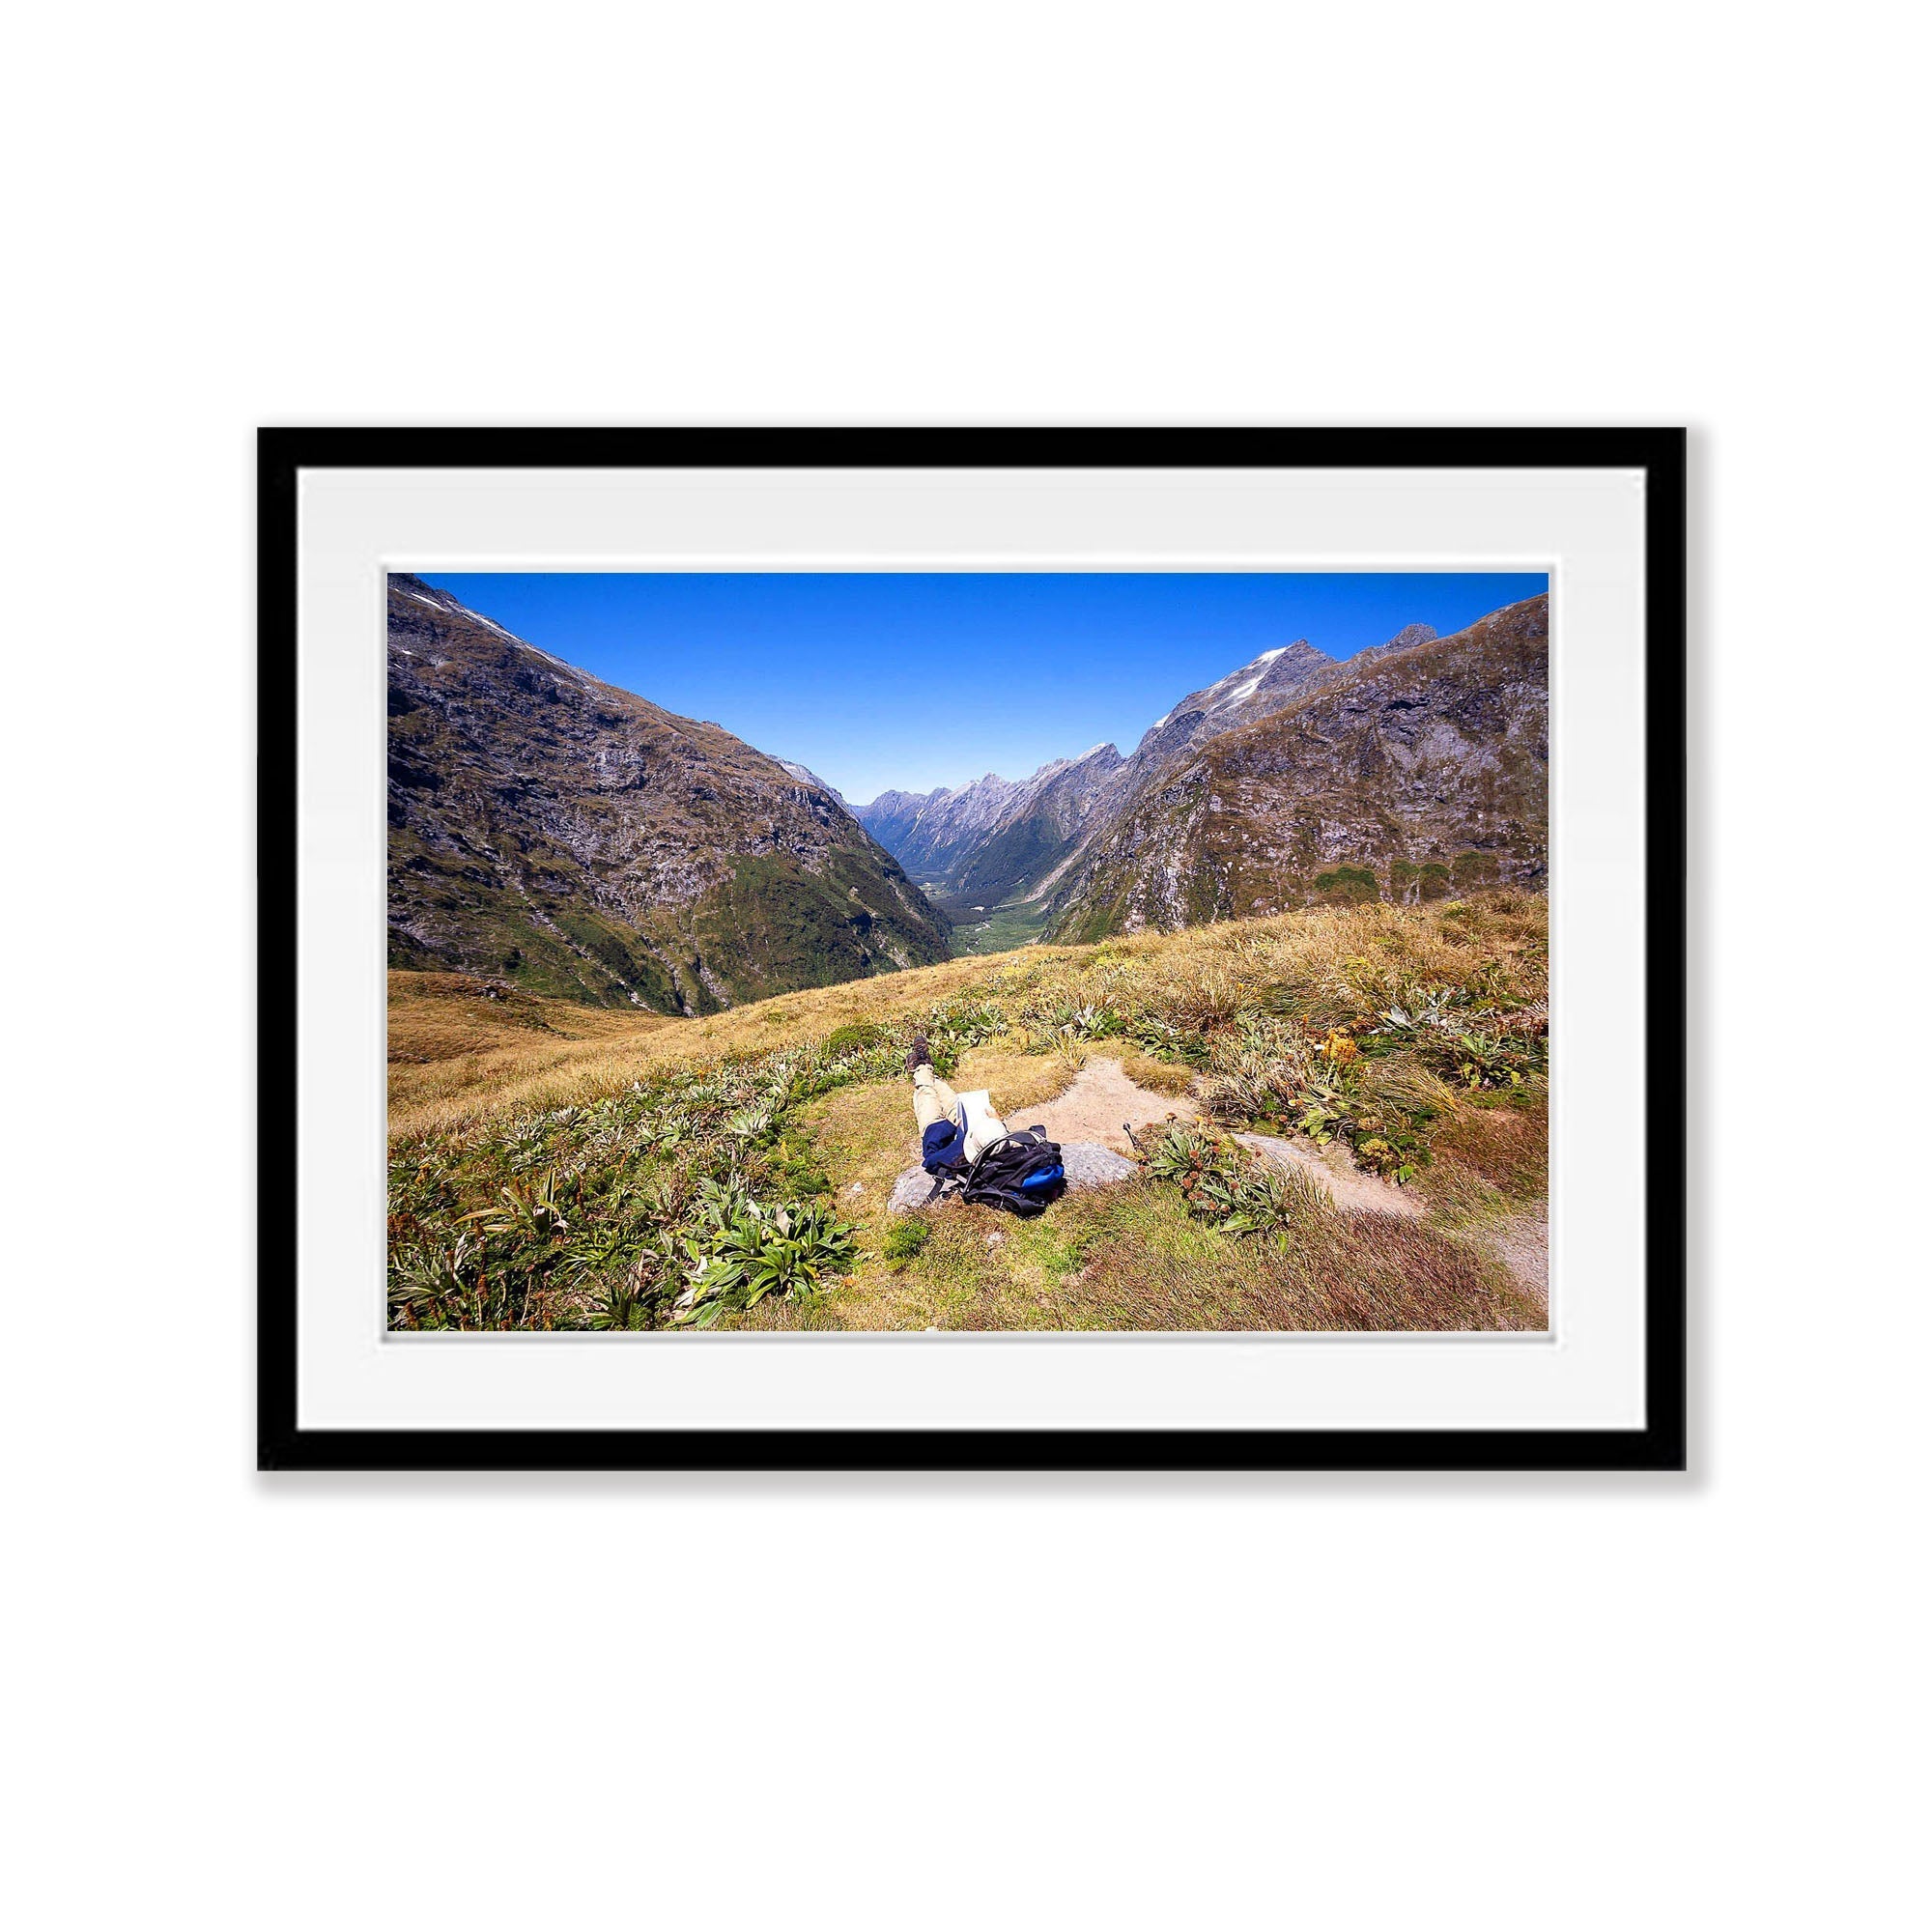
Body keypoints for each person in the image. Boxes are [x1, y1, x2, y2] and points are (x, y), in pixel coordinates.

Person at [906, 1035, 1008, 1174]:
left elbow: (929, 1161)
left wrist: (948, 1128)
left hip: (936, 1128)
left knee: (927, 1092)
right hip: (966, 1128)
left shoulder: (958, 1154)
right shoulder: (1006, 1149)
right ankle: (925, 1068)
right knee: (950, 1096)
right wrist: (996, 1123)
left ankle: (922, 1067)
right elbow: (995, 1139)